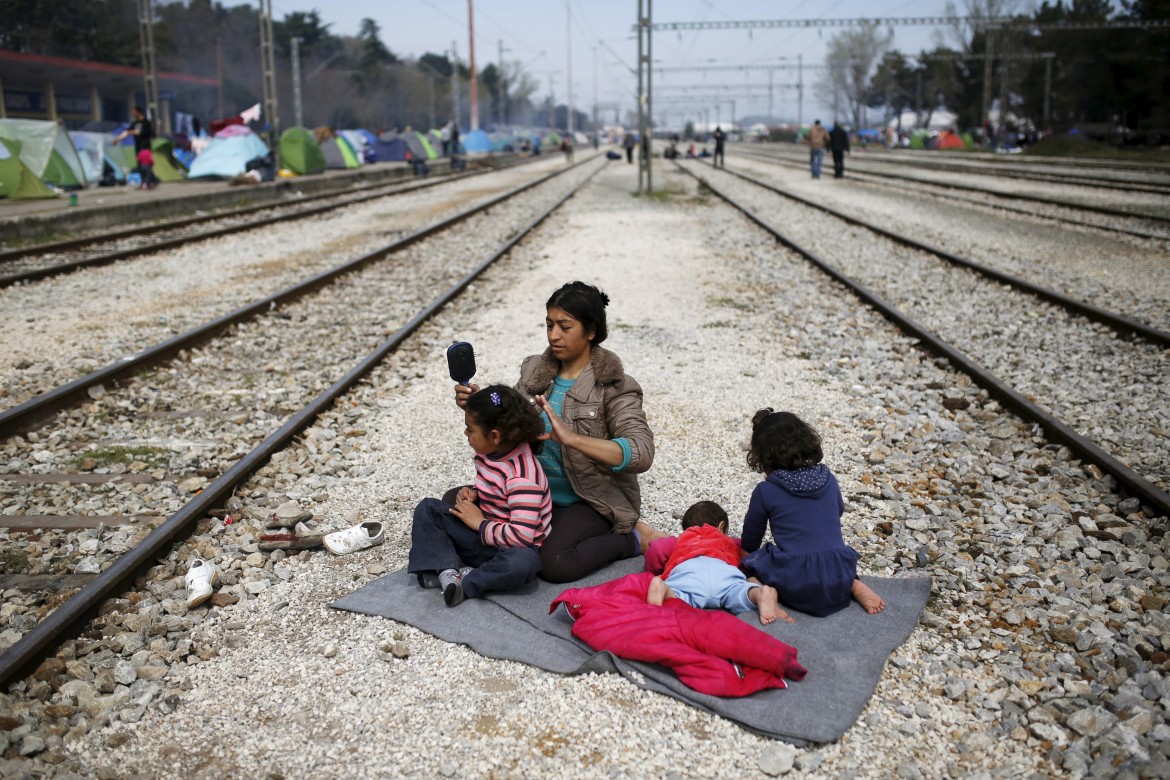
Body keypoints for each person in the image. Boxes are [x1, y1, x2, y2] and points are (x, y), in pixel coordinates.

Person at [455, 281, 662, 583]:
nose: (553, 335)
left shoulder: (614, 385)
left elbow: (641, 452)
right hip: (526, 491)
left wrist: (573, 439)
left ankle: (632, 539)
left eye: (565, 327)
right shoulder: (534, 371)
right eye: (549, 325)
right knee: (455, 503)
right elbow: (506, 417)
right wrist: (478, 404)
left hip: (586, 499)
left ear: (591, 331)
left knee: (553, 563)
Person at [410, 385, 551, 607]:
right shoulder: (491, 452)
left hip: (511, 548)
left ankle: (466, 583)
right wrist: (475, 494)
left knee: (522, 564)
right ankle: (448, 571)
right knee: (428, 508)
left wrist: (479, 522)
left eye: (470, 429)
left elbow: (522, 537)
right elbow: (494, 488)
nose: (466, 434)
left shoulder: (523, 477)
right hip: (484, 536)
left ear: (494, 436)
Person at [739, 409, 885, 616]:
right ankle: (854, 584)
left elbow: (750, 542)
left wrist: (747, 565)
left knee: (752, 566)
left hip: (796, 582)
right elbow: (837, 512)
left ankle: (761, 592)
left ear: (763, 456)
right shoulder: (828, 479)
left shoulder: (766, 490)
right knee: (827, 557)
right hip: (839, 572)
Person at [645, 501, 791, 626]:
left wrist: (654, 570)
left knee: (679, 595)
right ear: (722, 527)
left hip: (689, 573)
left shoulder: (679, 540)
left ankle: (663, 589)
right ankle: (758, 594)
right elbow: (749, 556)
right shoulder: (732, 542)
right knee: (739, 591)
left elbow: (656, 550)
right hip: (723, 572)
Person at [114, 106, 158, 190]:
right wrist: (118, 139)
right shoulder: (135, 123)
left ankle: (150, 181)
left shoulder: (146, 123)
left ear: (139, 112)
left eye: (134, 112)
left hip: (145, 147)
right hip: (138, 147)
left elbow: (140, 133)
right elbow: (127, 132)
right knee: (140, 165)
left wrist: (132, 132)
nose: (133, 114)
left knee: (146, 166)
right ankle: (145, 182)